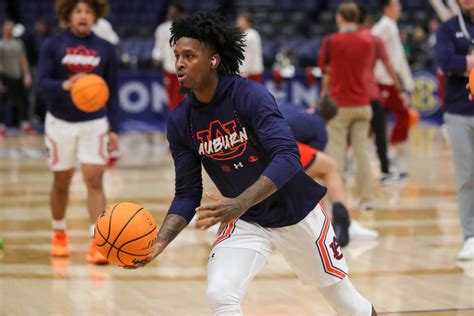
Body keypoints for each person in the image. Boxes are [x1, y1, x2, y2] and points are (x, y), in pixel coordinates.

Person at [130, 11, 377, 316]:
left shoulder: (250, 96)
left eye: (189, 55)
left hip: (296, 213)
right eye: (177, 55)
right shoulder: (181, 121)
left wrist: (239, 203)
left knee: (347, 304)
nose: (179, 64)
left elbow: (288, 158)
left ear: (214, 60)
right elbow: (186, 193)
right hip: (247, 221)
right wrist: (160, 241)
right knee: (220, 295)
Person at [38, 0, 119, 264]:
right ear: (69, 15)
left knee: (94, 180)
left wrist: (114, 128)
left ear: (95, 16)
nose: (84, 16)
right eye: (79, 11)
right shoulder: (52, 45)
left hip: (94, 123)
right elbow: (42, 84)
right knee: (61, 181)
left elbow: (113, 92)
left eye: (88, 11)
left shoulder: (105, 48)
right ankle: (59, 232)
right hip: (60, 121)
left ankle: (97, 240)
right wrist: (65, 84)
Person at [279, 100, 379, 246]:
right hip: (279, 148)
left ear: (315, 106)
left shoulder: (297, 107)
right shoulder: (321, 131)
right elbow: (303, 169)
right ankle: (344, 221)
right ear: (330, 120)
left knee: (320, 171)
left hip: (258, 146)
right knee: (331, 167)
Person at [319, 3, 374, 210]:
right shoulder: (367, 40)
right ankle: (367, 200)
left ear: (340, 18)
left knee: (336, 155)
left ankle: (337, 200)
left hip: (339, 105)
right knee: (362, 154)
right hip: (362, 103)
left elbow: (325, 69)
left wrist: (324, 93)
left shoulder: (331, 41)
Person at [436, 0, 474, 260]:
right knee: (466, 175)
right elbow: (445, 61)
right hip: (459, 111)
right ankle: (470, 235)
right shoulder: (448, 28)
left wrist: (466, 62)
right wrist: (468, 62)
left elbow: (456, 61)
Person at [359, 6, 406, 184]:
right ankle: (386, 168)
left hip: (351, 93)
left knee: (357, 132)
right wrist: (400, 86)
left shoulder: (338, 40)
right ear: (367, 22)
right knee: (379, 130)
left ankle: (345, 167)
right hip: (371, 91)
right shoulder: (374, 38)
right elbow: (387, 64)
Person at [372, 0, 414, 175]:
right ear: (387, 8)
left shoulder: (393, 26)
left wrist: (408, 82)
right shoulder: (385, 26)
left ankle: (388, 154)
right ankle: (391, 155)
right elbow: (369, 40)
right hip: (382, 81)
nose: (400, 8)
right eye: (397, 5)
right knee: (400, 115)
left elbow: (400, 59)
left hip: (390, 81)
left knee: (375, 121)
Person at [0, 18, 32, 137]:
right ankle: (1, 127)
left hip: (18, 76)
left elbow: (23, 60)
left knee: (23, 101)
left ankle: (24, 125)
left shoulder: (18, 43)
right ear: (3, 29)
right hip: (5, 76)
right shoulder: (1, 44)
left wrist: (27, 75)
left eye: (11, 27)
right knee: (3, 102)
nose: (9, 30)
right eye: (7, 27)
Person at [152, 3, 185, 110]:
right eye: (170, 12)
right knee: (170, 95)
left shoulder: (187, 28)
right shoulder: (162, 28)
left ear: (180, 13)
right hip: (168, 66)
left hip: (183, 67)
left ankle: (179, 119)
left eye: (174, 11)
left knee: (179, 96)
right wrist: (156, 57)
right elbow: (158, 46)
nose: (172, 14)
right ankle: (175, 118)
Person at [236, 13, 264, 82]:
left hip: (251, 73)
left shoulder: (250, 35)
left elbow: (247, 56)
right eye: (238, 20)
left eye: (241, 20)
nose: (238, 22)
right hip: (249, 72)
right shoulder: (248, 34)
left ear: (248, 23)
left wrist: (243, 73)